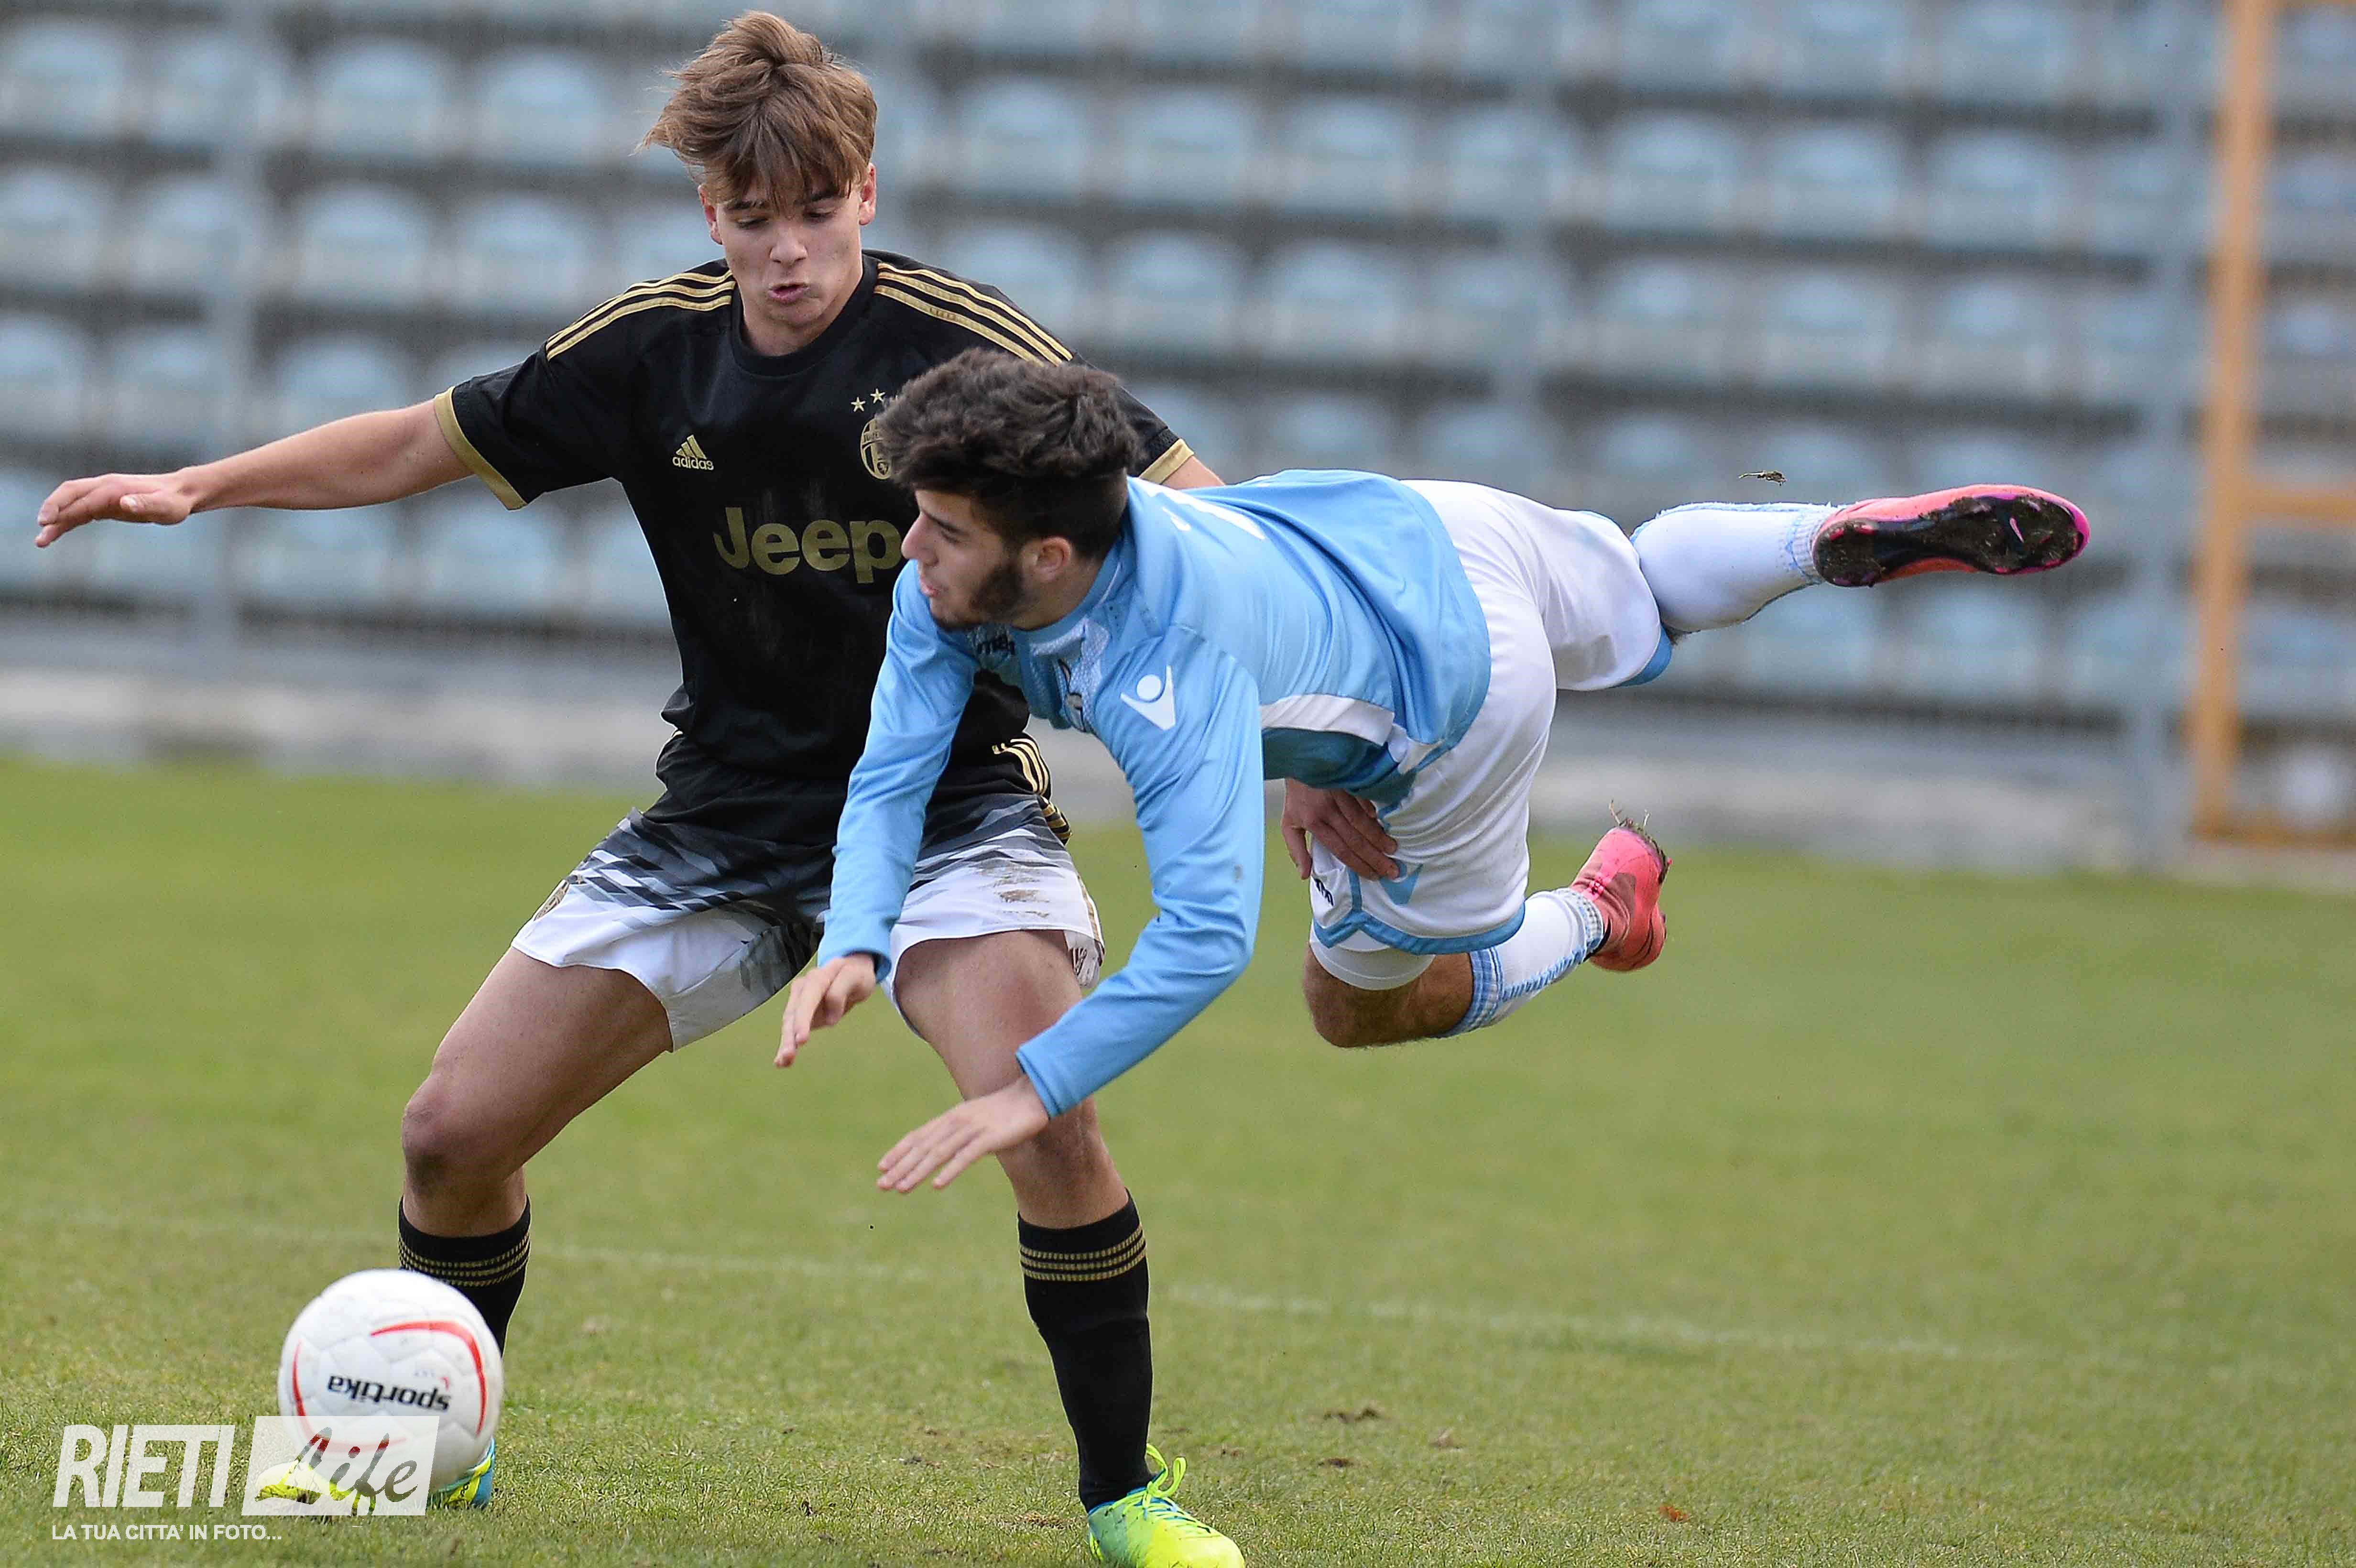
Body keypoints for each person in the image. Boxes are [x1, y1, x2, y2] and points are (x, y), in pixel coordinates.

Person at [33, 18, 1247, 1559]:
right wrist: (204, 485)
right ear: (710, 213)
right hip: (726, 812)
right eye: (754, 218)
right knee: (450, 1136)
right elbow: (418, 442)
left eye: (818, 213)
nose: (788, 252)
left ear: (868, 195)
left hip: (948, 811)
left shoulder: (962, 350)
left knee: (1047, 1121)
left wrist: (1324, 738)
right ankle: (436, 1451)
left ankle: (1128, 1499)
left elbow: (1211, 519)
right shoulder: (653, 349)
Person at [779, 350, 2089, 1205]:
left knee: (1356, 1008)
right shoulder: (988, 568)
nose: (912, 547)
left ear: (1051, 558)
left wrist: (1033, 1087)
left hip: (1456, 697)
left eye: (944, 528)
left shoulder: (1163, 678)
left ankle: (1600, 910)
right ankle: (1816, 538)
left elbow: (1206, 938)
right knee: (1641, 586)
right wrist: (855, 936)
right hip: (1418, 522)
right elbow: (894, 772)